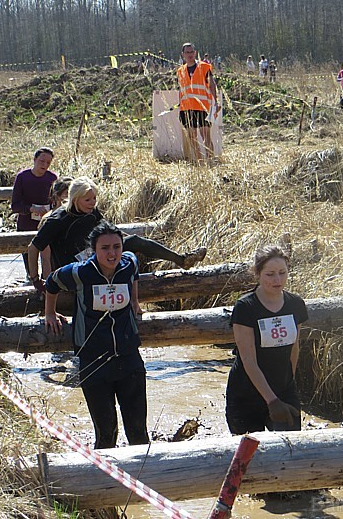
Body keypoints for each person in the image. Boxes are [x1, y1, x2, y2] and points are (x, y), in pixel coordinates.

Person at [45, 220, 149, 449]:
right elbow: (51, 282)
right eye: (105, 248)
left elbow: (134, 271)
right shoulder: (81, 272)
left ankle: (141, 479)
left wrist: (135, 299)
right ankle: (107, 482)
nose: (112, 253)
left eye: (116, 247)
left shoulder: (127, 263)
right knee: (105, 433)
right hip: (93, 359)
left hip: (128, 355)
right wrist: (50, 313)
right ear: (93, 249)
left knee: (138, 431)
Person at [26, 175, 207, 292]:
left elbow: (110, 231)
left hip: (93, 255)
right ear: (75, 199)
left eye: (95, 198)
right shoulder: (58, 219)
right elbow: (33, 248)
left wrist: (124, 241)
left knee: (134, 240)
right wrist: (36, 280)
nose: (92, 203)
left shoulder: (92, 211)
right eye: (87, 199)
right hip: (73, 268)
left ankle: (182, 260)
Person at [225, 245, 308, 434]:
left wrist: (287, 384)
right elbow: (248, 360)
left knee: (290, 454)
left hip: (283, 390)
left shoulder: (296, 304)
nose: (277, 280)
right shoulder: (245, 307)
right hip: (246, 395)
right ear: (258, 273)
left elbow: (294, 347)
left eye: (282, 273)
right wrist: (272, 401)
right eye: (270, 274)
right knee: (249, 458)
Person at [11, 147, 57, 281]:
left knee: (49, 262)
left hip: (47, 225)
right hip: (26, 224)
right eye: (42, 161)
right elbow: (15, 206)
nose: (44, 165)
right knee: (29, 267)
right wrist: (32, 209)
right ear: (35, 160)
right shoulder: (22, 177)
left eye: (48, 163)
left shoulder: (52, 178)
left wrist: (50, 211)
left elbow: (58, 202)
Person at [177, 42, 219, 164]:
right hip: (186, 108)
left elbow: (212, 84)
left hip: (202, 107)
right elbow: (181, 89)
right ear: (183, 54)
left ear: (195, 53)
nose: (190, 54)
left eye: (191, 52)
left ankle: (210, 161)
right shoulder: (180, 71)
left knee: (206, 135)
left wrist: (215, 102)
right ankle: (200, 162)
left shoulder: (204, 67)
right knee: (192, 137)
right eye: (187, 52)